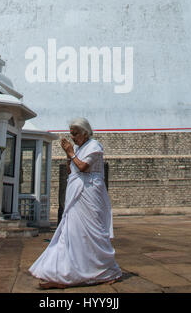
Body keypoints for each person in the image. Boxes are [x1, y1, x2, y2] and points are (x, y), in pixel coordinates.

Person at [29, 117, 122, 289]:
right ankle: (62, 273)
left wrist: (71, 153)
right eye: (71, 134)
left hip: (89, 193)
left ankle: (104, 270)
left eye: (75, 134)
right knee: (70, 232)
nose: (72, 137)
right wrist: (69, 154)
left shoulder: (95, 146)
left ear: (85, 133)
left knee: (92, 233)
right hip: (77, 194)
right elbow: (71, 169)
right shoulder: (79, 148)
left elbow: (83, 167)